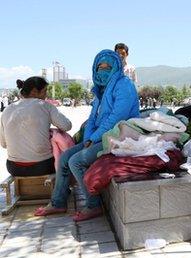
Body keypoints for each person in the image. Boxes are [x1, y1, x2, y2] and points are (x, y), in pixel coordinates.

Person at [34, 49, 140, 220]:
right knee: (65, 158)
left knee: (76, 162)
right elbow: (92, 118)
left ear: (116, 67)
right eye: (100, 67)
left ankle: (93, 205)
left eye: (108, 67)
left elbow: (116, 118)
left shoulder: (124, 85)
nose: (103, 70)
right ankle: (58, 202)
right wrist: (87, 139)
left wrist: (93, 138)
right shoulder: (99, 89)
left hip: (120, 135)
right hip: (101, 135)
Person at [0, 77, 72, 177]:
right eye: (44, 91)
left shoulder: (7, 110)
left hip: (14, 167)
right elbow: (67, 126)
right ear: (34, 91)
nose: (46, 95)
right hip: (43, 166)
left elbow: (3, 144)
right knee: (62, 145)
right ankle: (63, 189)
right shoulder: (45, 105)